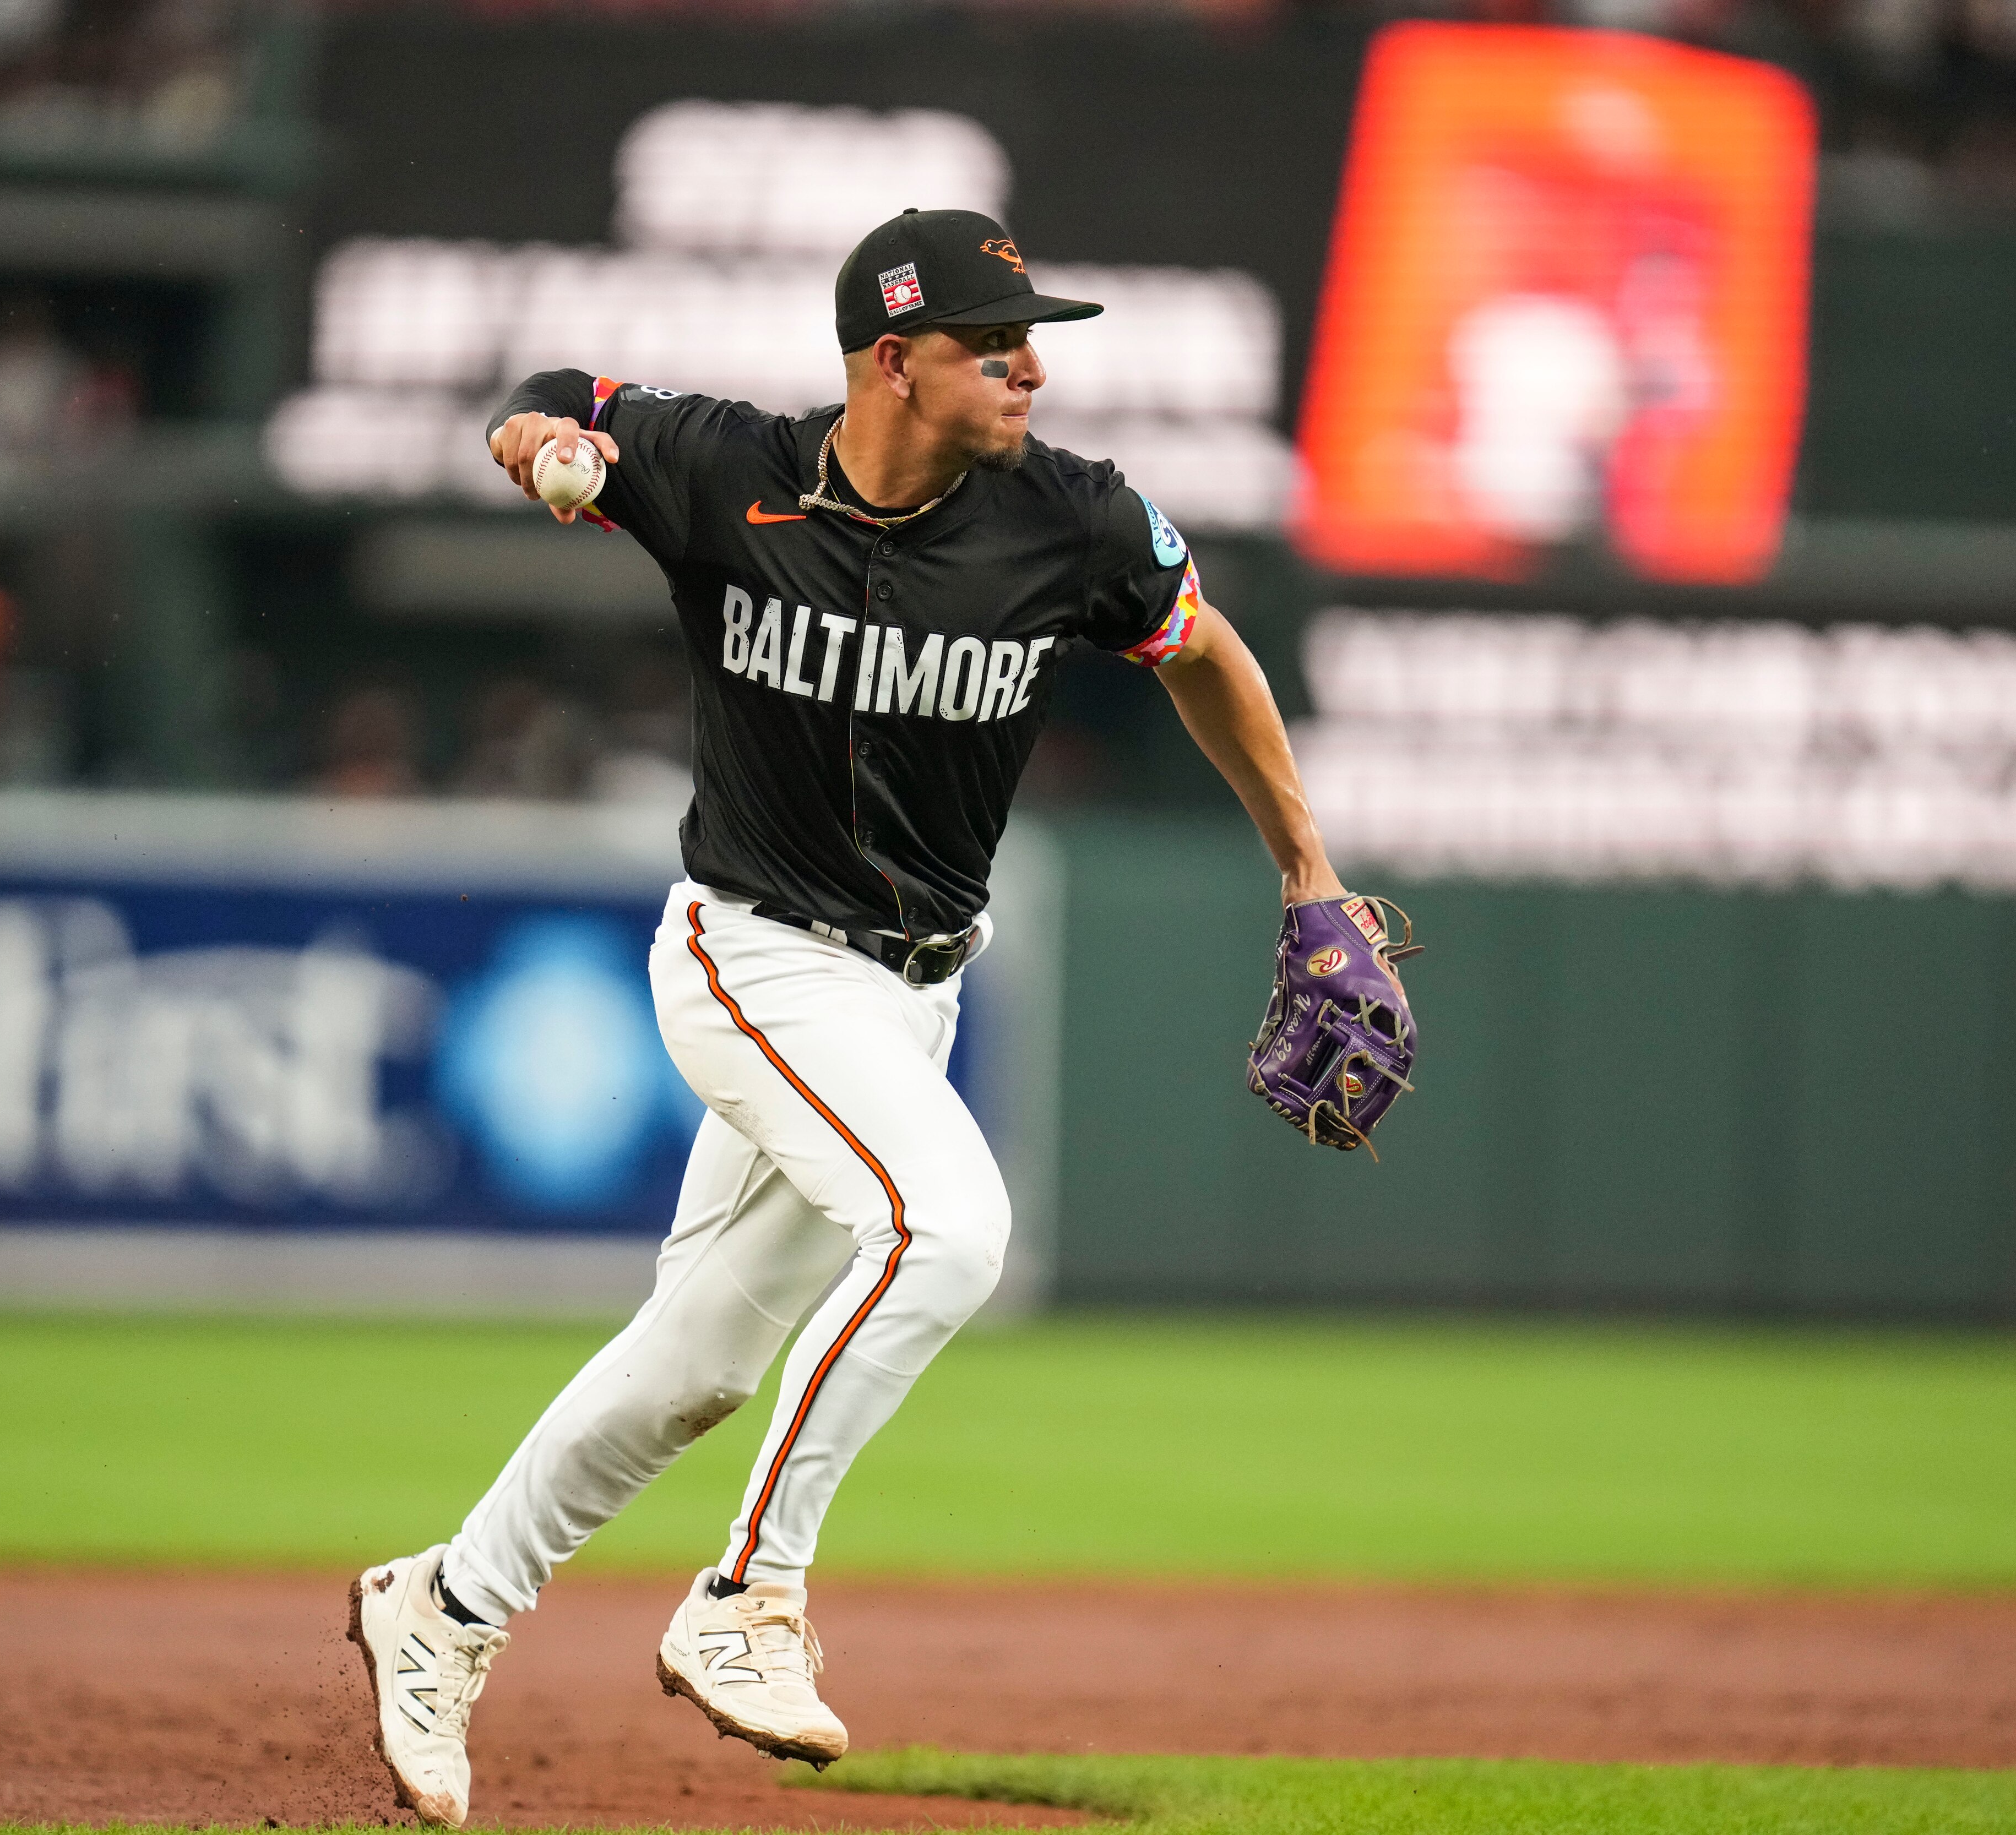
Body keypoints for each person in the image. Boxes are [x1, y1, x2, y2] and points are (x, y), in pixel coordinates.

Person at [347, 207, 1355, 1827]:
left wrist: (1308, 872)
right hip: (752, 954)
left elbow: (1204, 652)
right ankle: (748, 1596)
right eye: (992, 340)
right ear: (893, 361)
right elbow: (551, 391)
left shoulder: (1074, 523)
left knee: (692, 1367)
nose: (1032, 363)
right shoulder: (721, 469)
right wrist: (536, 435)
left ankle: (444, 1608)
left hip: (916, 995)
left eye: (1034, 335)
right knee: (949, 1230)